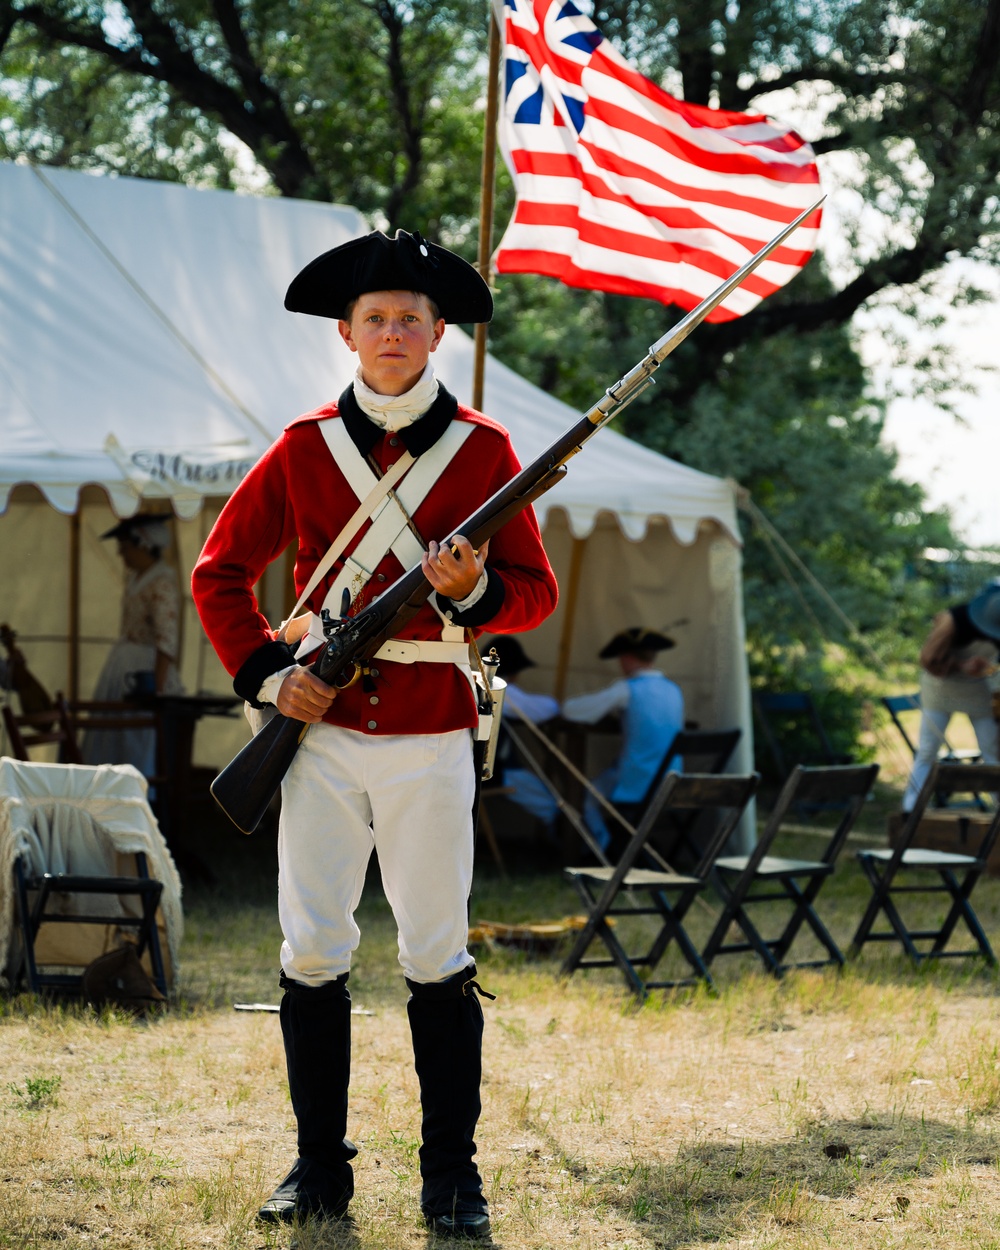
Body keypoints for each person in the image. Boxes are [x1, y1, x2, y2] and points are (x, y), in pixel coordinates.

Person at [191, 228, 558, 1240]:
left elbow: (532, 592)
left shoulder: (483, 450)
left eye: (409, 318)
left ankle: (453, 1178)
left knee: (436, 953)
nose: (392, 332)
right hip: (319, 734)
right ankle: (318, 1168)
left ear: (438, 332)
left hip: (433, 730)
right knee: (312, 948)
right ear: (346, 336)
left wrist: (470, 587)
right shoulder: (305, 445)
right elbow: (219, 572)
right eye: (374, 319)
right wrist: (270, 675)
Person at [561, 627, 683, 857]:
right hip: (671, 783)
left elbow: (573, 711)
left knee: (587, 794)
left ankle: (603, 847)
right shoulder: (673, 690)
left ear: (627, 658)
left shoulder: (627, 689)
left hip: (639, 782)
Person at [82, 514, 183, 777]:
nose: (121, 554)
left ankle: (138, 793)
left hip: (147, 671)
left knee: (139, 737)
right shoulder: (136, 579)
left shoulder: (161, 581)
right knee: (115, 736)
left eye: (126, 547)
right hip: (123, 667)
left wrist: (157, 691)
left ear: (144, 545)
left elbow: (166, 639)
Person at [902, 581, 1000, 812]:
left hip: (979, 689)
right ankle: (911, 808)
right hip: (941, 687)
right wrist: (961, 665)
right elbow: (928, 660)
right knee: (928, 748)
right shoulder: (954, 621)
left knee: (992, 749)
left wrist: (989, 670)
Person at [482, 634, 560, 830]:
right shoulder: (497, 688)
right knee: (552, 805)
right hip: (496, 772)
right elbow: (544, 708)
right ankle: (576, 847)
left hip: (476, 771)